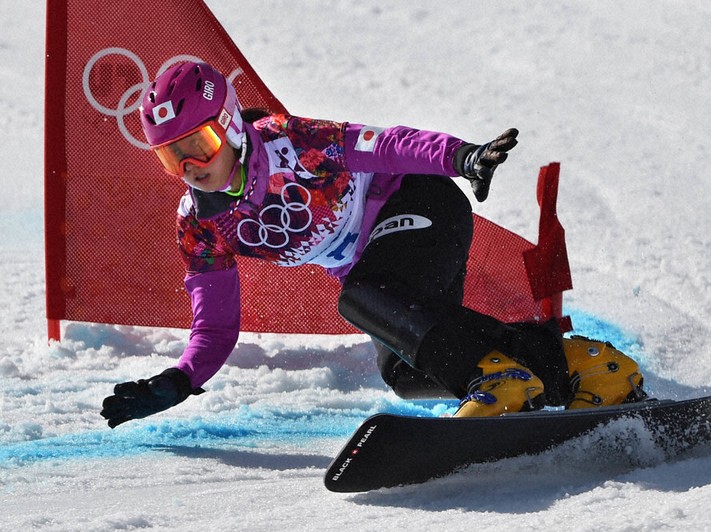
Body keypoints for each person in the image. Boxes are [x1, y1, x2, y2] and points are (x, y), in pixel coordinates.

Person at [101, 62, 646, 428]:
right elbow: (215, 326)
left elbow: (387, 145)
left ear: (230, 125)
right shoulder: (200, 225)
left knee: (361, 296)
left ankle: (504, 377)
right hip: (380, 269)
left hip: (423, 205)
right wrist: (180, 379)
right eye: (173, 157)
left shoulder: (292, 142)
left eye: (199, 144)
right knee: (409, 375)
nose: (191, 168)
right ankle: (581, 368)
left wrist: (461, 157)